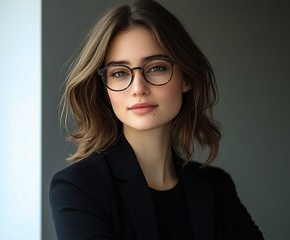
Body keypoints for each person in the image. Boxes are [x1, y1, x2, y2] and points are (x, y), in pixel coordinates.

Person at [50, 0, 264, 239]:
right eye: (119, 73)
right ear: (105, 89)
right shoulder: (78, 187)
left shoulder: (217, 188)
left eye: (156, 67)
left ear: (186, 78)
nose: (138, 88)